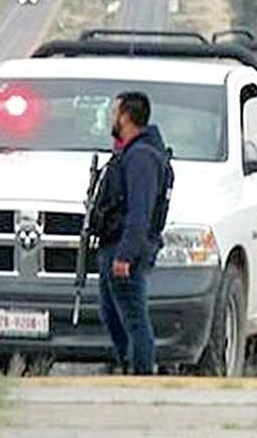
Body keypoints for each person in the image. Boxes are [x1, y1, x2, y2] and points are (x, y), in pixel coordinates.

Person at [92, 91, 173, 375]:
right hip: (113, 245)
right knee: (112, 314)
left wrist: (125, 254)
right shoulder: (130, 152)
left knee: (134, 319)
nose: (111, 118)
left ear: (126, 116)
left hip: (125, 249)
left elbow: (140, 212)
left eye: (115, 112)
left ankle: (141, 376)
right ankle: (126, 366)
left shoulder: (141, 157)